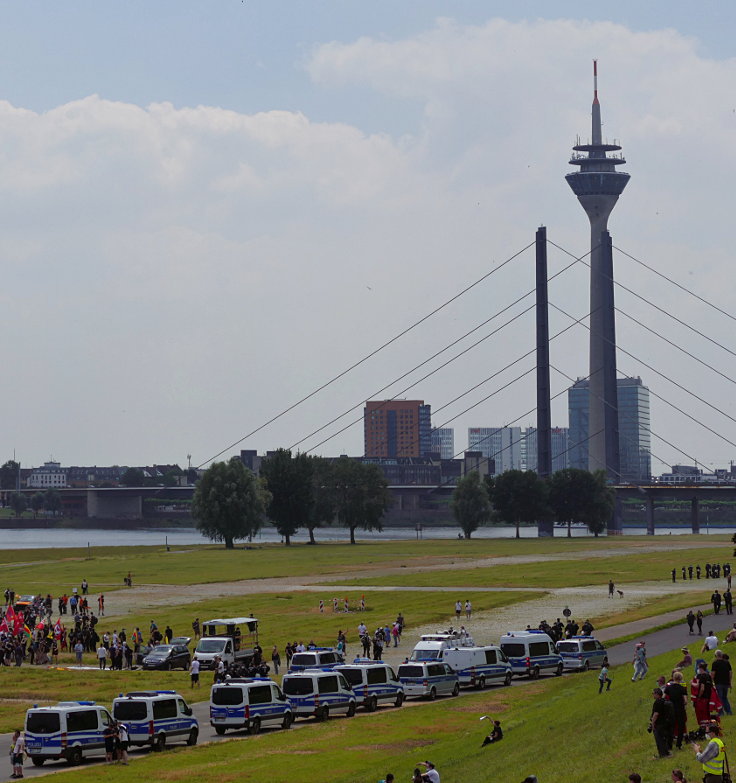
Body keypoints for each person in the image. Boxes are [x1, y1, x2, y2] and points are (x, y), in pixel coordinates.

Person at [665, 671, 689, 750]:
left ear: (673, 678)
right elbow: (685, 701)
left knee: (671, 726)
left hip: (671, 709)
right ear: (680, 678)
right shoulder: (682, 688)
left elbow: (664, 697)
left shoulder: (668, 687)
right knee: (681, 726)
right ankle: (679, 744)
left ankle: (669, 745)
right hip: (680, 709)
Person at [650, 687, 674, 758]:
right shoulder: (665, 700)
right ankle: (667, 752)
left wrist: (652, 723)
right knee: (664, 739)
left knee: (659, 740)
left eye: (653, 693)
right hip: (666, 723)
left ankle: (663, 754)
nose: (653, 695)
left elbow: (656, 714)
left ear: (657, 694)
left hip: (659, 723)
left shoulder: (657, 702)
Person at [711, 649, 732, 716]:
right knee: (725, 697)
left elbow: (713, 674)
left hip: (718, 683)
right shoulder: (726, 662)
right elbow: (730, 673)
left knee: (719, 698)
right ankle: (729, 711)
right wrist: (729, 682)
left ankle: (721, 712)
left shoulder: (715, 663)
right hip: (726, 683)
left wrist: (711, 682)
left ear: (715, 655)